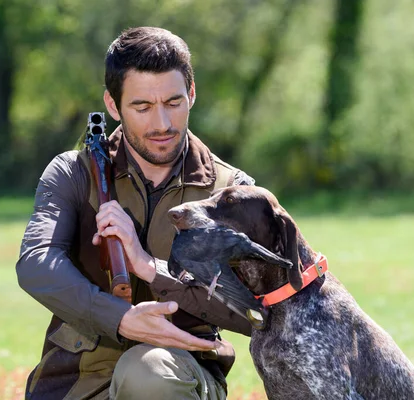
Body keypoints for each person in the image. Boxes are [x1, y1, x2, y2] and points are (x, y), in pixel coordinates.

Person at [16, 26, 254, 400]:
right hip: (73, 380)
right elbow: (36, 263)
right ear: (113, 105)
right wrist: (121, 319)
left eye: (173, 103)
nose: (161, 124)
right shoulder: (73, 172)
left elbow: (255, 312)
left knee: (147, 373)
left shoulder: (232, 192)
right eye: (142, 107)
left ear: (191, 94)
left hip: (176, 375)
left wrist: (148, 267)